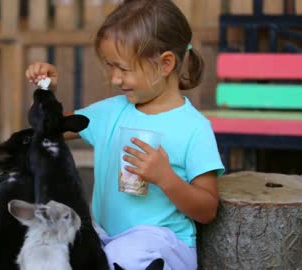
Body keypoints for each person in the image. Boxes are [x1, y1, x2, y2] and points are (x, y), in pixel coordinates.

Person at [25, 0, 224, 269]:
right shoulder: (110, 112)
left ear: (165, 64)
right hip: (105, 237)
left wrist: (165, 178)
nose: (115, 78)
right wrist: (47, 92)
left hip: (160, 245)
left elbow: (207, 209)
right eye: (110, 66)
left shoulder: (194, 128)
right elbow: (48, 129)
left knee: (123, 256)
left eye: (124, 68)